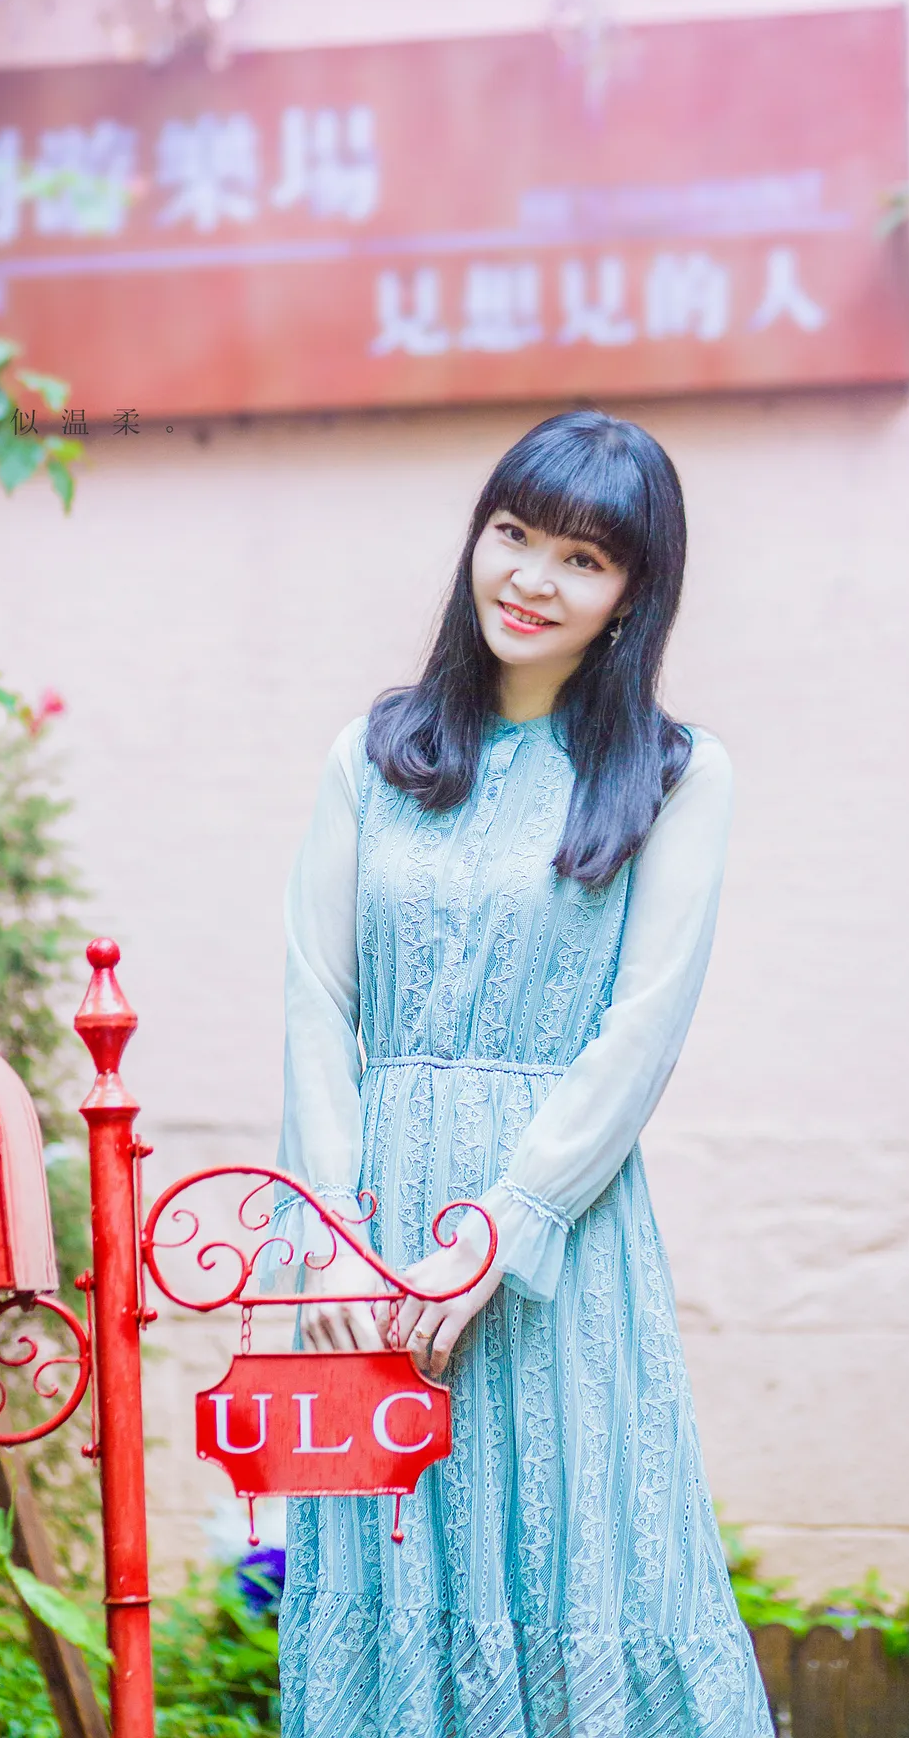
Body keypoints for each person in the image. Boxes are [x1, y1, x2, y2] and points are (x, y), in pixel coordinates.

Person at [272, 409, 772, 1738]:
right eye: (513, 534)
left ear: (631, 595)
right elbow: (319, 1004)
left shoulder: (676, 775)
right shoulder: (373, 755)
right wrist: (331, 1243)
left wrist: (501, 1229)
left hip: (558, 1246)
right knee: (391, 1574)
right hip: (373, 1248)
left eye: (582, 559)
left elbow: (640, 1033)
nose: (532, 579)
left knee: (591, 1566)